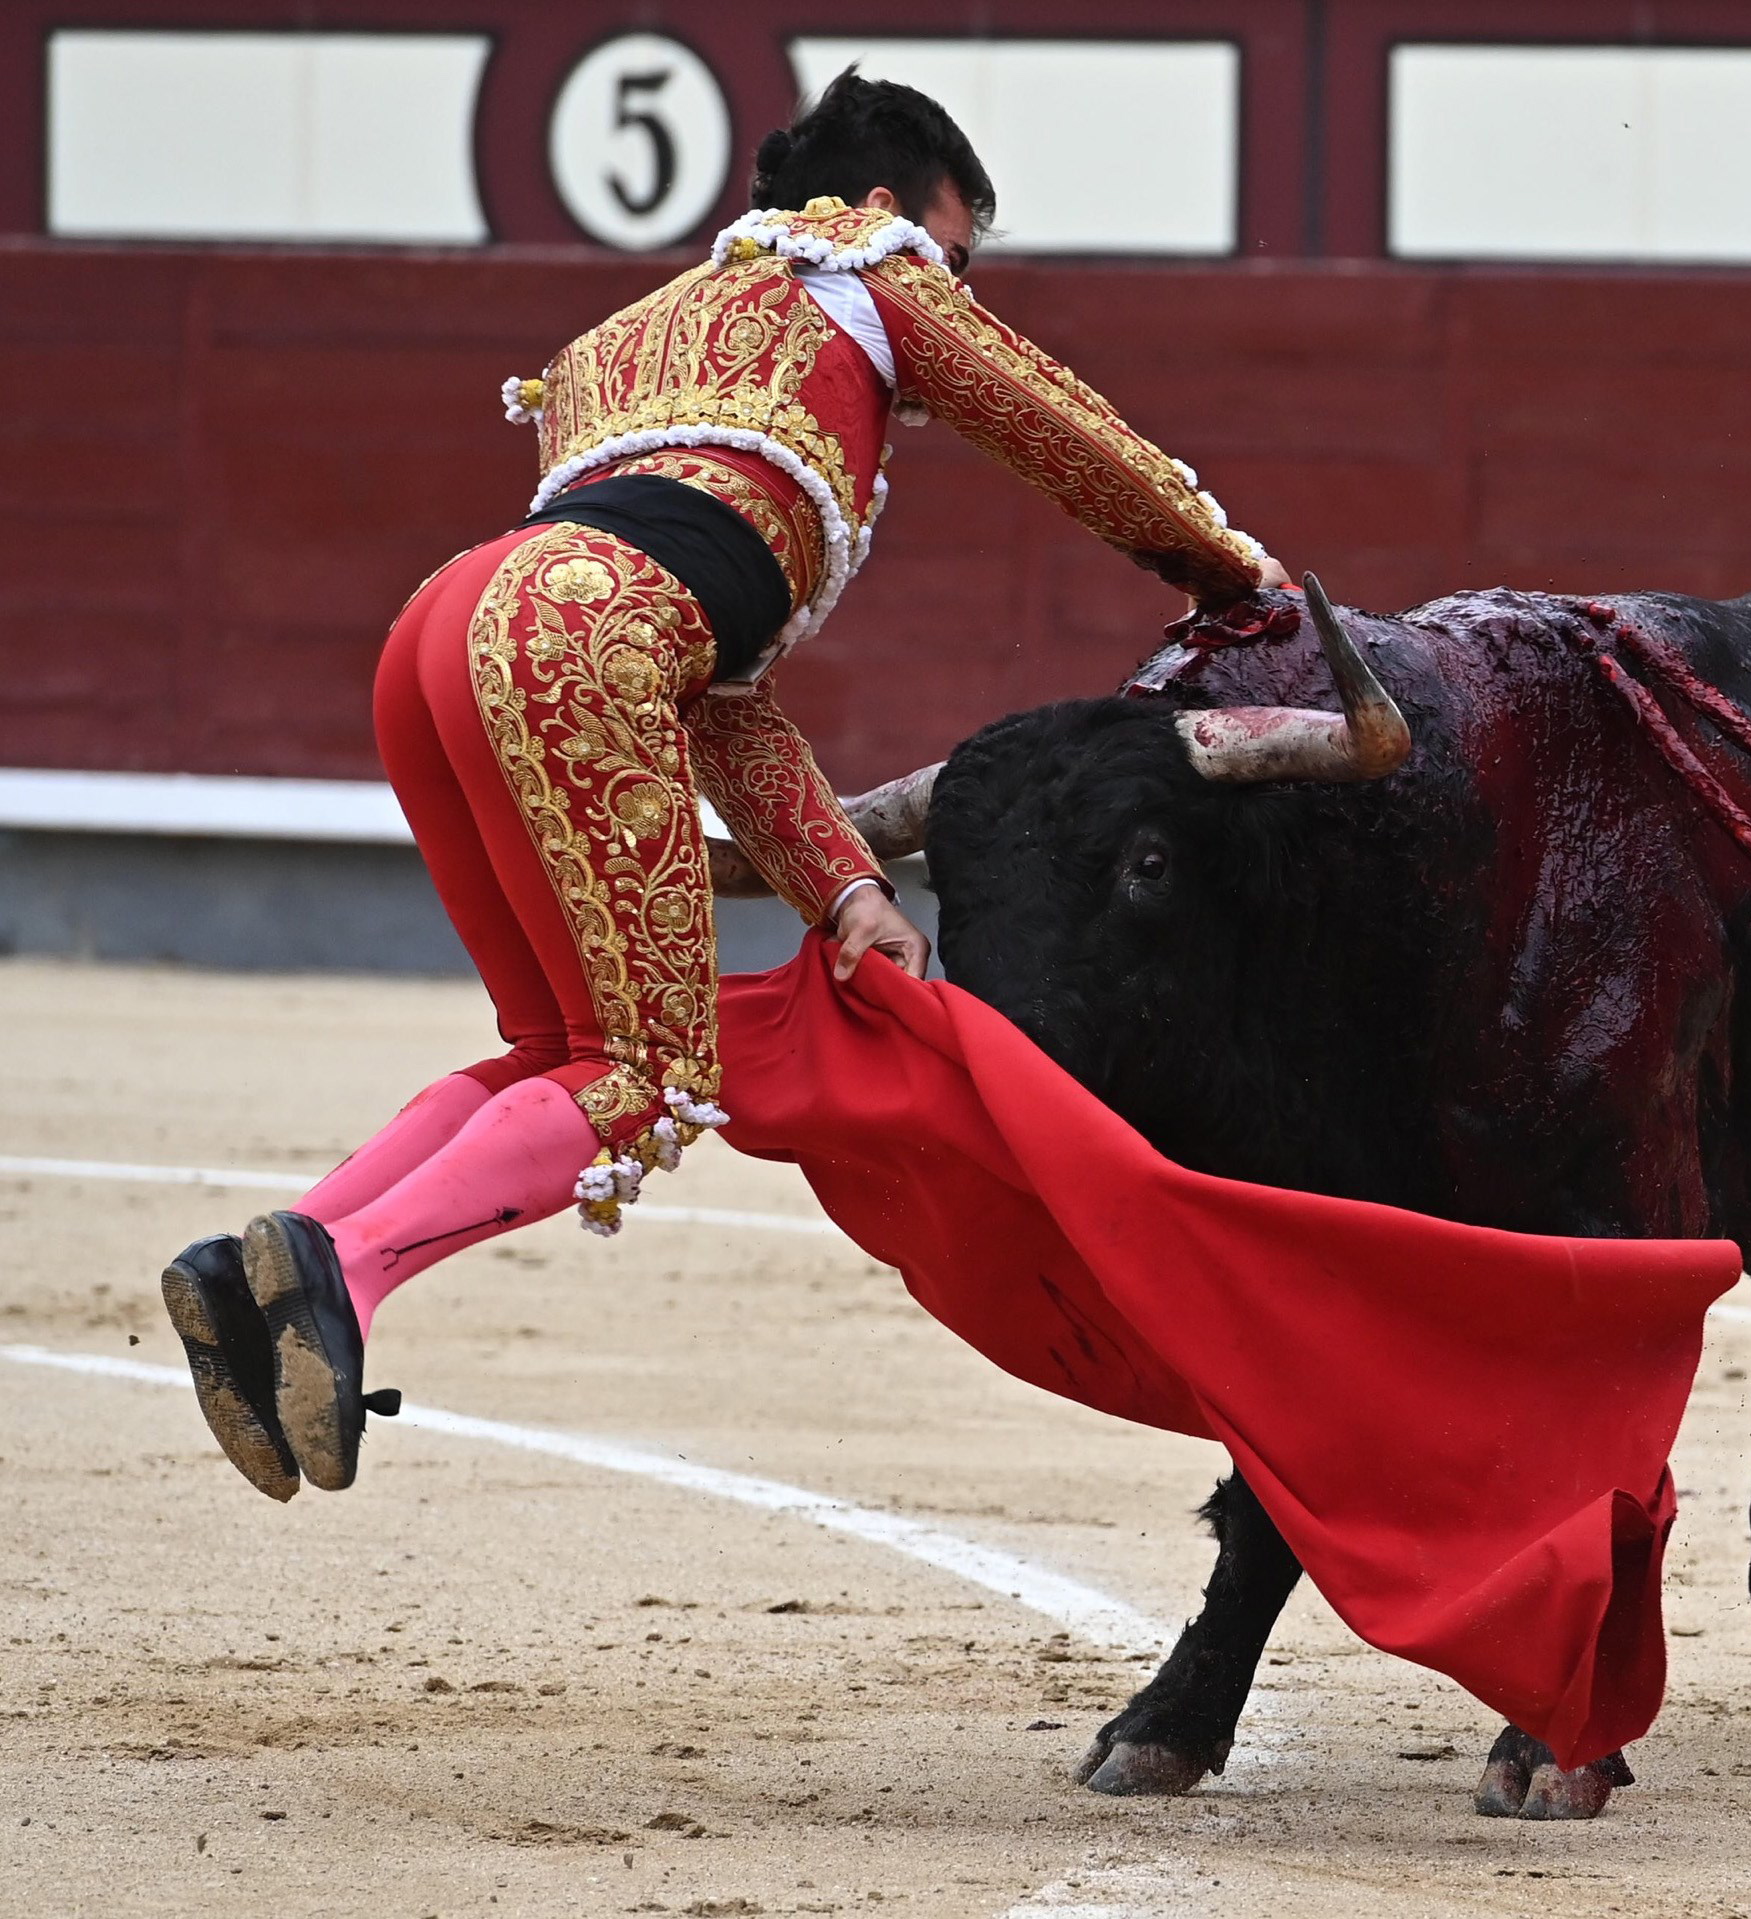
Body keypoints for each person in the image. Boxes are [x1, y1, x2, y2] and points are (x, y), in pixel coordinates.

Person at [160, 67, 1284, 1501]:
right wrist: (1232, 571)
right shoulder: (868, 268)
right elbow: (1059, 431)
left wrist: (852, 898)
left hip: (454, 626)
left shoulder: (633, 338)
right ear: (882, 210)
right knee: (648, 1076)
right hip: (583, 628)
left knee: (558, 1055)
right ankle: (343, 1269)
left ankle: (259, 1264)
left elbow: (724, 711)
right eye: (961, 252)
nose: (963, 288)